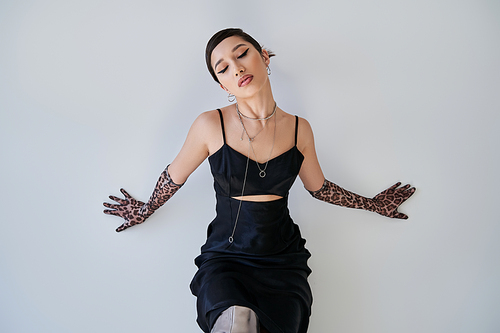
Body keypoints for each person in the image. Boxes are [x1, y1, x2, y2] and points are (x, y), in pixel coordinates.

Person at [103, 28, 416, 333]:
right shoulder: (210, 125)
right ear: (222, 83)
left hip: (283, 261)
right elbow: (173, 177)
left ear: (264, 57)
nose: (237, 67)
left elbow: (319, 187)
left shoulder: (299, 129)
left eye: (242, 54)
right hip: (227, 259)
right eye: (223, 68)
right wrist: (145, 209)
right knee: (236, 322)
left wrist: (374, 204)